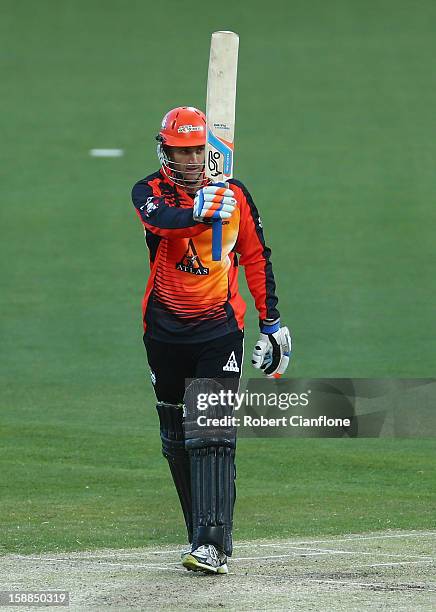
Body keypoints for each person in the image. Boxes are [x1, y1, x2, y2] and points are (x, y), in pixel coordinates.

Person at [131, 106, 291, 574]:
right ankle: (198, 535)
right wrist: (200, 212)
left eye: (198, 150)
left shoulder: (235, 195)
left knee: (214, 433)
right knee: (175, 434)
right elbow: (161, 222)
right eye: (181, 151)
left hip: (219, 329)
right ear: (165, 152)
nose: (190, 159)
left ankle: (214, 542)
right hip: (162, 329)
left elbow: (256, 256)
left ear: (210, 149)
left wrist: (272, 321)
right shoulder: (149, 192)